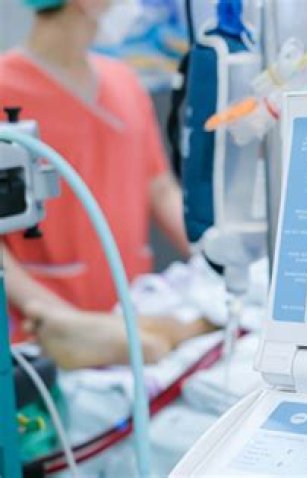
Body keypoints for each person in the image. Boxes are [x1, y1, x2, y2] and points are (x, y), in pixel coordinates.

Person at [0, 0, 215, 369]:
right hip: (45, 330)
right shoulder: (6, 88)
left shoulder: (124, 82)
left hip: (133, 309)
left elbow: (160, 188)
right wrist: (59, 316)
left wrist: (218, 257)